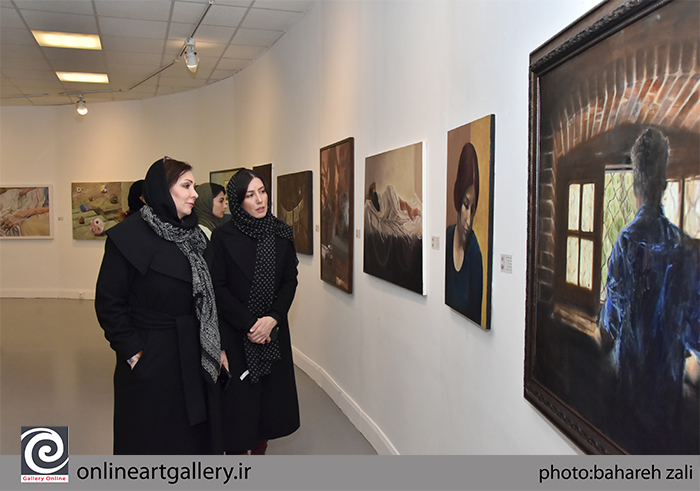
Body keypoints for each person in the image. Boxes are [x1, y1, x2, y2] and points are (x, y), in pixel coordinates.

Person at [94, 157, 222, 455]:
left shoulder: (195, 238)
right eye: (186, 186)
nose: (194, 193)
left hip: (193, 351)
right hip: (151, 353)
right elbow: (109, 302)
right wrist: (133, 352)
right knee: (150, 437)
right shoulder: (128, 236)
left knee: (191, 439)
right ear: (163, 190)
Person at [598, 128, 700, 453]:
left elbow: (609, 326)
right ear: (666, 184)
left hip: (628, 396)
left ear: (634, 184)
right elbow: (696, 336)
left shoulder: (626, 242)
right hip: (669, 406)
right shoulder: (687, 250)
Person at [210, 168, 300, 455]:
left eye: (262, 191)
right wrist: (250, 324)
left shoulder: (282, 233)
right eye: (250, 195)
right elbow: (217, 287)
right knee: (239, 411)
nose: (260, 200)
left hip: (272, 335)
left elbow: (290, 280)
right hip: (237, 336)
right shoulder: (222, 238)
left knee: (267, 411)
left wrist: (272, 318)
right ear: (238, 201)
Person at [445, 142, 483, 324]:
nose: (468, 218)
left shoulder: (474, 256)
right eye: (466, 205)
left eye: (473, 209)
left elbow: (476, 317)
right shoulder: (446, 238)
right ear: (458, 198)